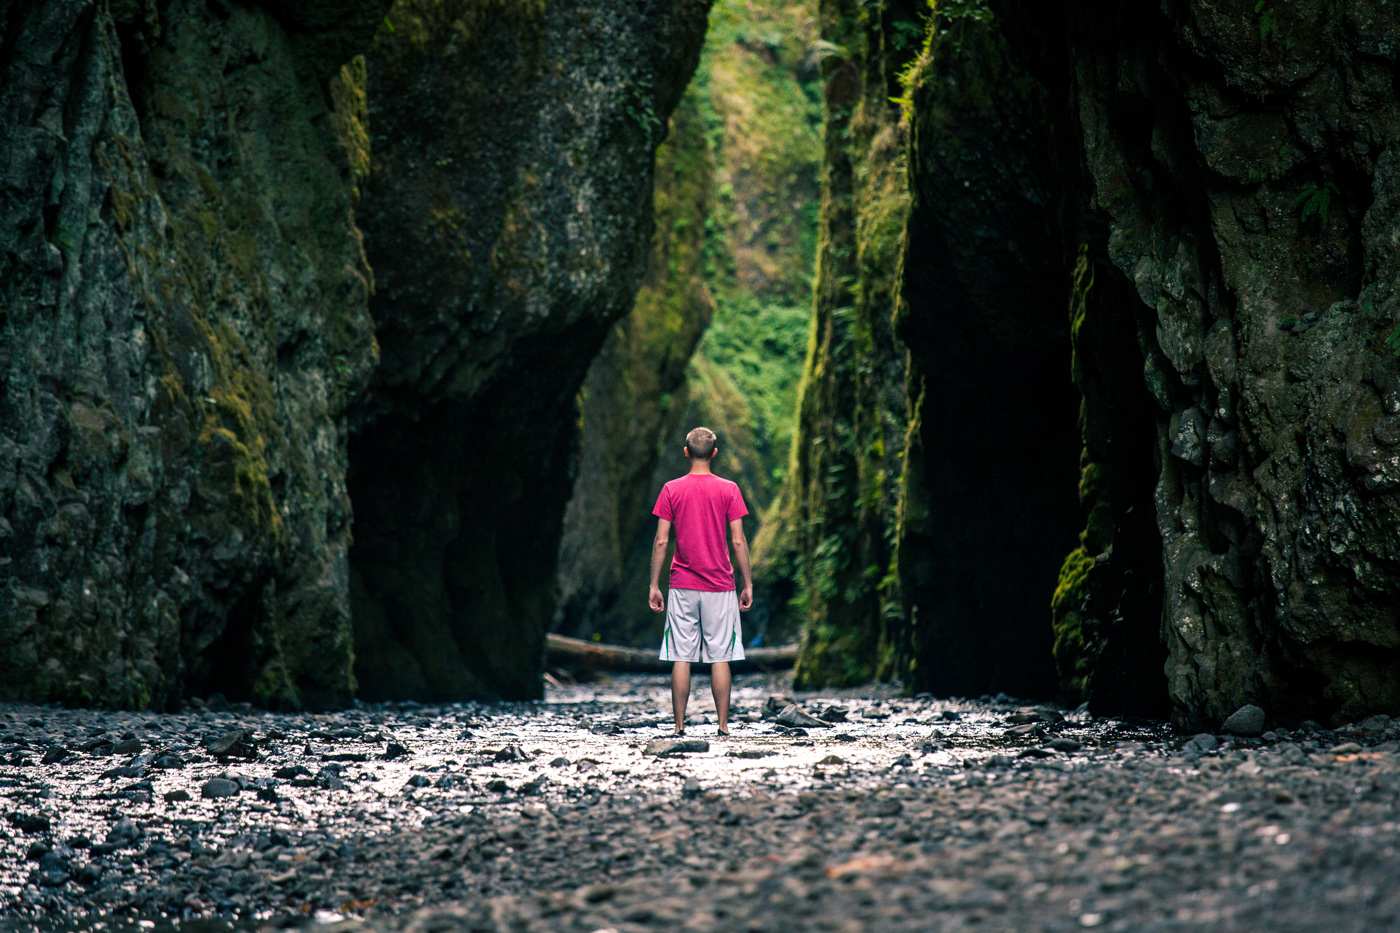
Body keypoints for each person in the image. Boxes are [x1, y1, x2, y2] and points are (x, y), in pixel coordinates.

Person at [648, 426, 753, 737]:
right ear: (715, 454)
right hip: (721, 585)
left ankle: (679, 727)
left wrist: (654, 585)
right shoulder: (729, 489)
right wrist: (747, 583)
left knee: (681, 655)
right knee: (721, 656)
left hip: (682, 584)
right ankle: (722, 727)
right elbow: (737, 541)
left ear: (685, 452)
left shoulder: (671, 489)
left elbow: (662, 541)